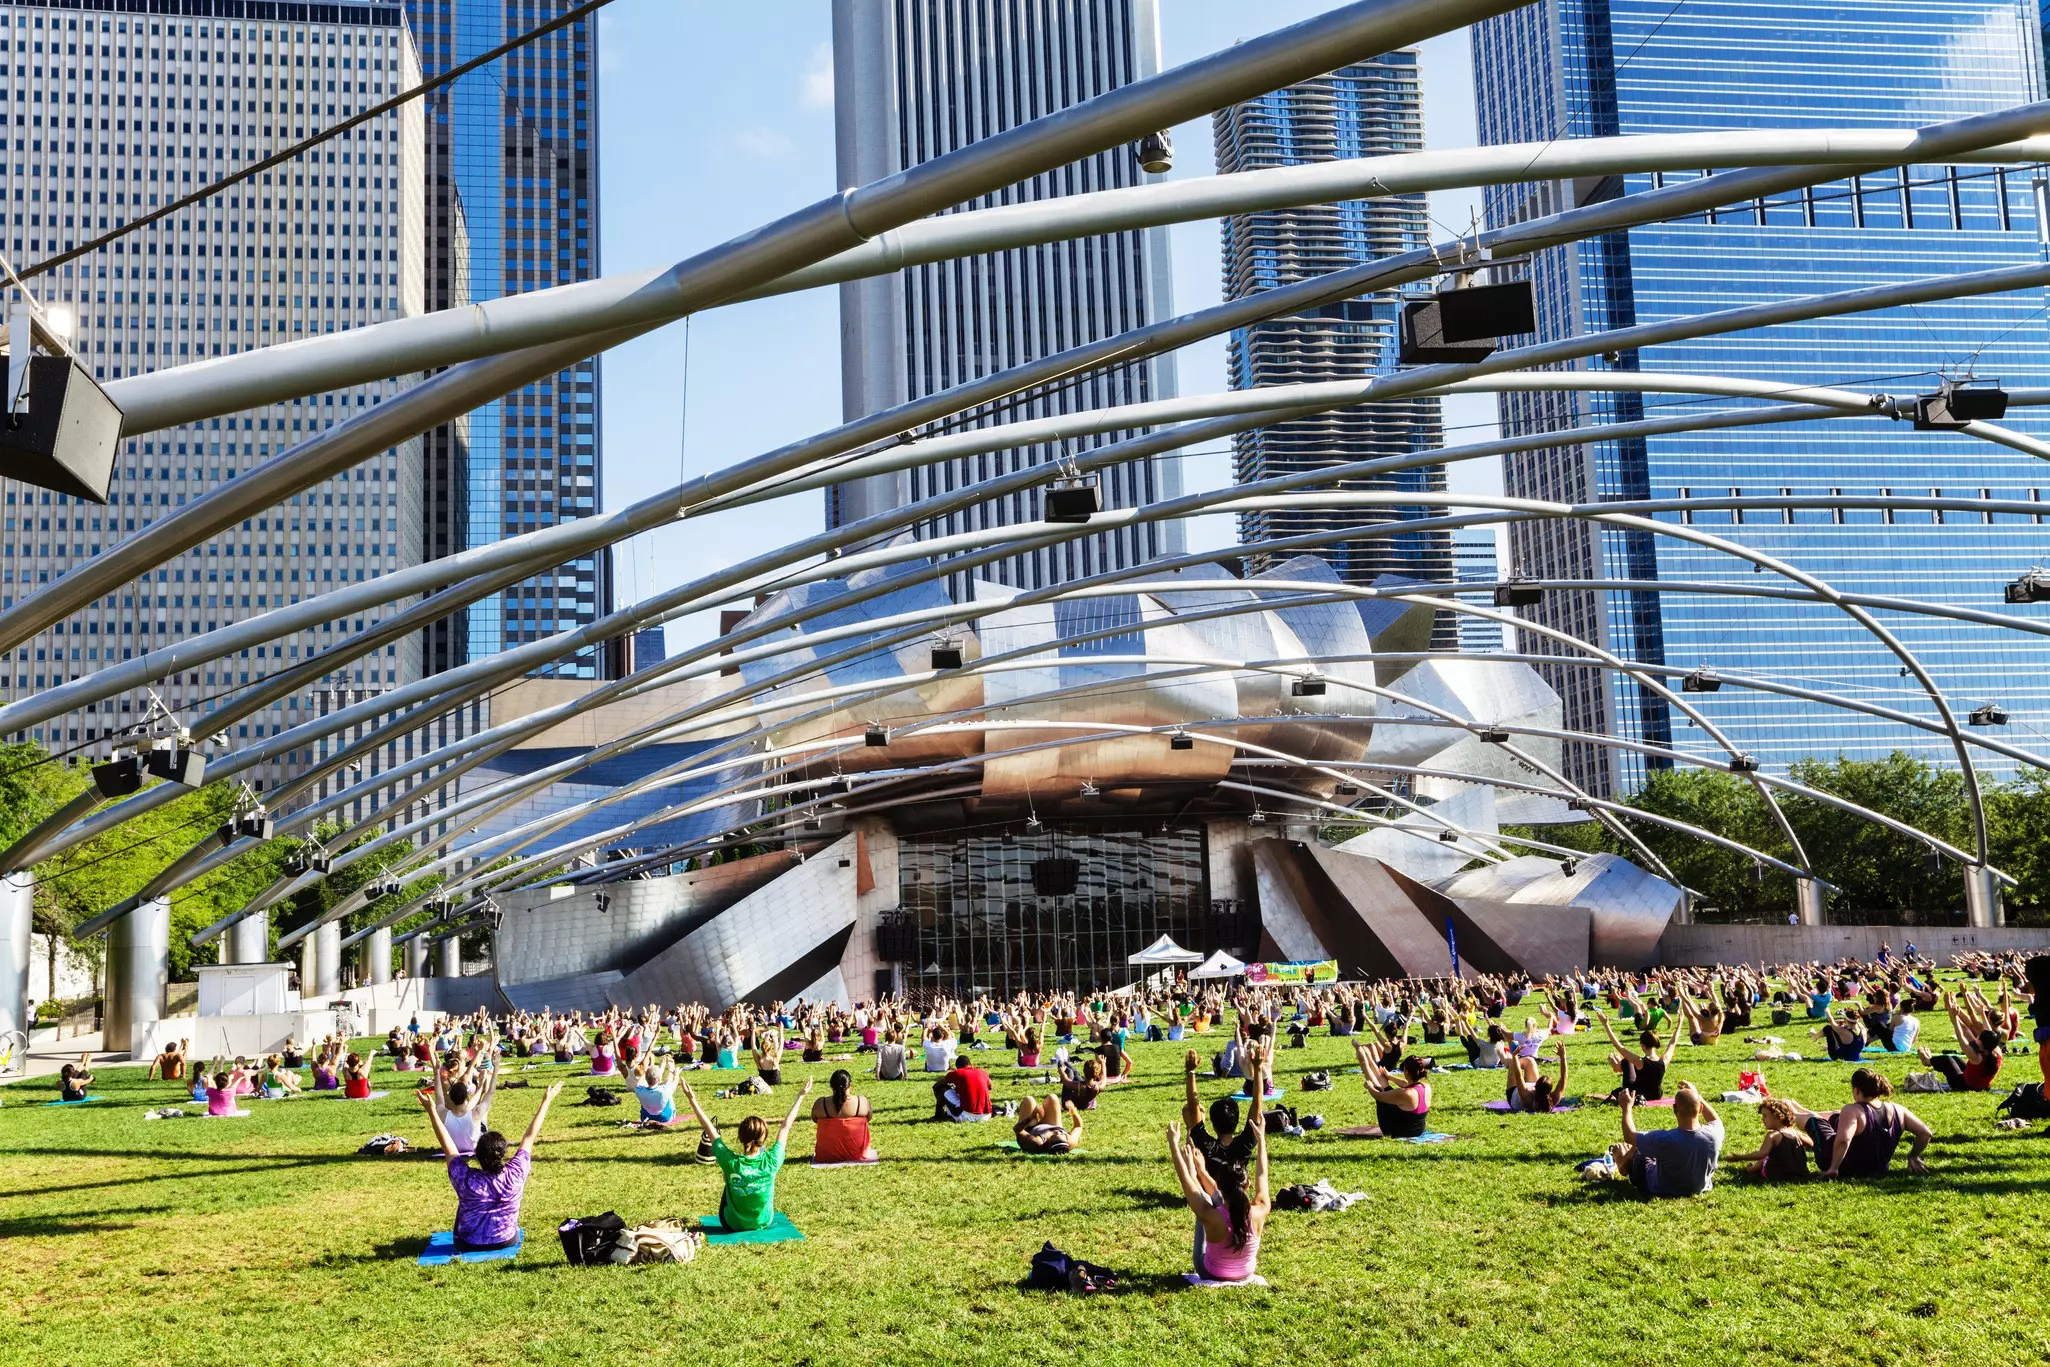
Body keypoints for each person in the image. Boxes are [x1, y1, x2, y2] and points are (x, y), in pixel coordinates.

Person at [418, 1080, 563, 1252]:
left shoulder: (466, 1179)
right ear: (503, 1154)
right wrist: (546, 1100)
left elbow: (447, 1145)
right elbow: (530, 1136)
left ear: (477, 1156)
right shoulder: (515, 1173)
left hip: (468, 1242)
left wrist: (432, 1112)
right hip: (506, 1239)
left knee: (464, 1201)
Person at [681, 1076, 813, 1232]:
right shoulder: (772, 1160)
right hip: (763, 1222)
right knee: (735, 1173)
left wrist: (692, 1099)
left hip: (732, 1224)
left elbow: (709, 1128)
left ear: (740, 1137)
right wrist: (801, 1096)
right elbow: (785, 1127)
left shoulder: (730, 1161)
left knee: (728, 1177)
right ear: (764, 1138)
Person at [1166, 1112, 1270, 1286]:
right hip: (1245, 1272)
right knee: (1212, 1204)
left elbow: (1185, 1181)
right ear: (1247, 1184)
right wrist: (1261, 1139)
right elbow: (1263, 1174)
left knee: (1205, 1201)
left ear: (1219, 1185)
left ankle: (1196, 1171)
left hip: (1211, 1273)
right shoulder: (1261, 1209)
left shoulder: (1210, 1215)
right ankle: (1198, 1171)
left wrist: (1173, 1144)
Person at [1813, 1069, 1934, 1179]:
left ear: (1856, 1090)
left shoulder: (1852, 1110)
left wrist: (1833, 1168)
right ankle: (1796, 1109)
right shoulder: (1898, 1110)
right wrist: (1913, 1155)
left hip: (1846, 1168)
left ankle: (1794, 1114)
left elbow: (1844, 1140)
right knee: (1835, 1117)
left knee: (1813, 1120)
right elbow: (1925, 1133)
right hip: (1879, 1170)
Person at [1610, 1081, 1724, 1197]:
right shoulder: (1715, 1134)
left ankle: (1621, 1161)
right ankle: (1630, 1154)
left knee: (1638, 1152)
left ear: (1675, 1109)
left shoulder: (1664, 1139)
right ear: (1700, 1108)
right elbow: (1715, 1120)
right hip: (1700, 1189)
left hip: (1659, 1189)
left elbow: (1629, 1136)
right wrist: (1697, 1095)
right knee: (1649, 1147)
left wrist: (1626, 1109)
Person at [1350, 1041, 1432, 1139]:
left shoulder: (1405, 1093)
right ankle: (1367, 1059)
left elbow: (1379, 1096)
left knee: (1379, 1088)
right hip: (1417, 1130)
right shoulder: (1426, 1087)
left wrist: (1369, 1087)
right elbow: (1405, 1084)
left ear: (1406, 1071)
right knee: (1385, 1084)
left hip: (1397, 1131)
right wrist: (1390, 1076)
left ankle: (1364, 1061)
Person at [1725, 1097, 1813, 1182]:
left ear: (1778, 1116)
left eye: (1765, 1116)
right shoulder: (1795, 1132)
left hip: (1777, 1175)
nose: (1762, 1119)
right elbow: (1811, 1143)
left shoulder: (1772, 1135)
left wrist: (1739, 1157)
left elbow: (1761, 1154)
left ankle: (1751, 1169)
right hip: (1801, 1173)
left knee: (1765, 1158)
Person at [1596, 1011, 1676, 1101]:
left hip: (1637, 1093)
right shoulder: (1664, 1061)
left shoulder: (1639, 1061)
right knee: (1628, 1062)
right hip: (1656, 1095)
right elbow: (1672, 1044)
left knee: (1626, 1061)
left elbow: (1618, 1046)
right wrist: (1679, 1023)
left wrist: (1606, 1025)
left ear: (1642, 1045)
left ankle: (1617, 1066)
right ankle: (1617, 1066)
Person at [811, 1069, 877, 1163]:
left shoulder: (820, 1103)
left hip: (826, 1155)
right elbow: (869, 1118)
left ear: (831, 1086)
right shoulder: (862, 1102)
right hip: (857, 1154)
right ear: (849, 1085)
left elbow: (814, 1119)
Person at [435, 1060, 499, 1154]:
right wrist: (496, 1067)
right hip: (474, 1148)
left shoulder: (443, 1114)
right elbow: (491, 1092)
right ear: (466, 1097)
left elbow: (439, 1094)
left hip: (453, 1149)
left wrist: (436, 1071)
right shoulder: (475, 1113)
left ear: (451, 1098)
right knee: (483, 1112)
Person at [1505, 1041, 1570, 1113]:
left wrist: (1514, 1056)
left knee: (1514, 1064)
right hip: (1529, 1089)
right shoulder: (1554, 1098)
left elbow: (1519, 1077)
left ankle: (1508, 1061)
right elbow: (1563, 1078)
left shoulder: (1528, 1098)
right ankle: (1513, 1060)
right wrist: (1563, 1057)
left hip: (1513, 1093)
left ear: (1535, 1086)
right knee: (1530, 1060)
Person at [1013, 1094, 1085, 1154]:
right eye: (1061, 1133)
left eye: (1055, 1134)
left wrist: (1032, 1116)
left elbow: (1017, 1130)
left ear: (1049, 1142)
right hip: (1051, 1123)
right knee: (1053, 1098)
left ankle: (1021, 1108)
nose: (1057, 1131)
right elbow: (1078, 1126)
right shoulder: (1070, 1141)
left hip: (1031, 1126)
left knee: (1029, 1100)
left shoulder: (1037, 1142)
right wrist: (1073, 1111)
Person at [933, 1053, 992, 1122]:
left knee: (942, 1088)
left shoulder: (957, 1072)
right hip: (986, 1116)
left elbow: (937, 1085)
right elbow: (990, 1087)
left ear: (957, 1067)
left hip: (966, 1116)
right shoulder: (982, 1072)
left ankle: (939, 1114)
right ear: (971, 1064)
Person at [632, 1057, 682, 1128]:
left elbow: (641, 1081)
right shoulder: (665, 1090)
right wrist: (675, 1072)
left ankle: (668, 1068)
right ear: (658, 1079)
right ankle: (670, 1068)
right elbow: (674, 1082)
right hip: (665, 1119)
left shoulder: (638, 1090)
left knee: (665, 1089)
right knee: (669, 1094)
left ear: (646, 1078)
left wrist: (660, 1066)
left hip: (645, 1118)